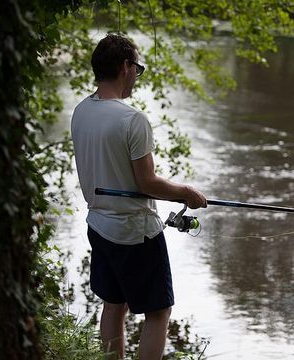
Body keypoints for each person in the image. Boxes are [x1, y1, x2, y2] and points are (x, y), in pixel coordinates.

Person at [70, 34, 207, 360]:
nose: (137, 75)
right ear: (125, 67)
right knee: (159, 312)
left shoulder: (80, 111)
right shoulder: (133, 119)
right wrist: (185, 192)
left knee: (114, 305)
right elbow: (147, 183)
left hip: (99, 224)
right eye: (137, 68)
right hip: (135, 232)